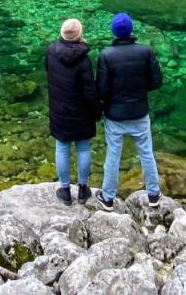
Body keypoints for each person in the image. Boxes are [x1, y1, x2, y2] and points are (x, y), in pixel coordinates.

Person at [95, 11, 163, 208]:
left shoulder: (105, 55)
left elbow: (102, 89)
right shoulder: (145, 51)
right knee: (146, 153)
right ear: (131, 30)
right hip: (139, 112)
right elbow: (156, 81)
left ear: (113, 32)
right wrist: (139, 91)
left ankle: (107, 197)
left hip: (114, 115)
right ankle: (153, 194)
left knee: (113, 155)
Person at [44, 18, 100, 205]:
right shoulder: (84, 60)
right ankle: (83, 190)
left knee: (62, 147)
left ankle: (65, 190)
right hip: (81, 112)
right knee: (83, 147)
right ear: (79, 35)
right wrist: (96, 112)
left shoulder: (51, 52)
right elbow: (90, 90)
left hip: (59, 110)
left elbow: (49, 76)